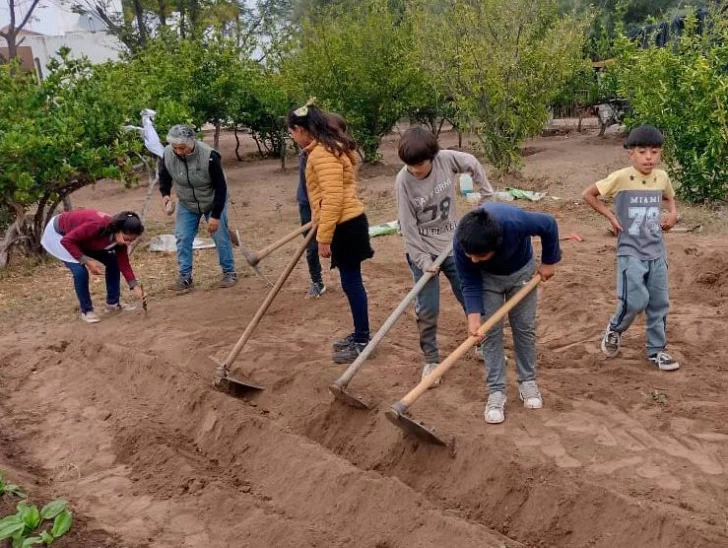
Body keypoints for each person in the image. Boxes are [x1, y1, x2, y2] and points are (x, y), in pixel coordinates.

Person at [395, 127, 493, 384]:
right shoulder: (403, 182)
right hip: (423, 253)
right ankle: (431, 360)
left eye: (420, 164)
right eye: (410, 165)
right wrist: (424, 261)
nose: (416, 169)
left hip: (453, 245)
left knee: (470, 298)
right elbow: (408, 228)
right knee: (427, 309)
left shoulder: (445, 159)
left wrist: (486, 194)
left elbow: (471, 162)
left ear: (432, 156)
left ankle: (482, 345)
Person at [582, 125, 679, 371]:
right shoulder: (621, 177)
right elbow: (589, 194)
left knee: (659, 302)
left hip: (656, 250)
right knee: (635, 301)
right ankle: (615, 329)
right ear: (631, 154)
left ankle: (657, 350)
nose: (649, 157)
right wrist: (611, 217)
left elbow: (669, 197)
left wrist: (673, 214)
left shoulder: (662, 177)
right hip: (631, 251)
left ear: (660, 154)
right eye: (642, 151)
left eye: (654, 152)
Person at [454, 204, 560, 424]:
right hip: (486, 280)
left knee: (524, 328)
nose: (473, 259)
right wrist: (473, 320)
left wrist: (549, 261)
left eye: (480, 255)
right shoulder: (462, 241)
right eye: (470, 255)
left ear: (497, 244)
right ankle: (496, 392)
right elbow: (469, 280)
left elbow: (549, 223)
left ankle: (527, 381)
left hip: (521, 272)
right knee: (489, 333)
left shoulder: (515, 222)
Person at [287, 100, 374, 364]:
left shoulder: (322, 154)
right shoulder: (328, 148)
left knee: (351, 283)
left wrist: (324, 238)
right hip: (346, 221)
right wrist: (317, 215)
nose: (292, 137)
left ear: (301, 130)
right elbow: (327, 193)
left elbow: (335, 197)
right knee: (351, 282)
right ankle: (361, 333)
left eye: (292, 132)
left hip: (345, 225)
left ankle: (362, 340)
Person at [158, 124, 237, 291]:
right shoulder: (166, 154)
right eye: (175, 147)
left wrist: (215, 216)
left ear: (192, 143)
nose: (178, 151)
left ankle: (229, 273)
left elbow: (221, 188)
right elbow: (164, 175)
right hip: (187, 203)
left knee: (220, 235)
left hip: (212, 200)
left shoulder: (209, 156)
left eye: (182, 147)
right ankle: (185, 277)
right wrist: (165, 194)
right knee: (182, 237)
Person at [40, 209, 146, 323]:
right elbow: (67, 241)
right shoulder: (96, 226)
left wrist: (135, 287)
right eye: (126, 238)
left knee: (113, 262)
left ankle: (113, 303)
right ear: (118, 230)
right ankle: (86, 311)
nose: (128, 243)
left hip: (80, 238)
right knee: (80, 272)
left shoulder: (118, 237)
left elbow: (124, 263)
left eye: (132, 240)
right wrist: (87, 261)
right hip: (59, 235)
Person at [295, 113, 350, 299]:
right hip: (309, 203)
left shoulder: (337, 152)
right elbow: (308, 186)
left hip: (332, 204)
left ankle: (347, 280)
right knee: (311, 247)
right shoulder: (310, 152)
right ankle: (317, 281)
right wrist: (314, 211)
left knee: (339, 244)